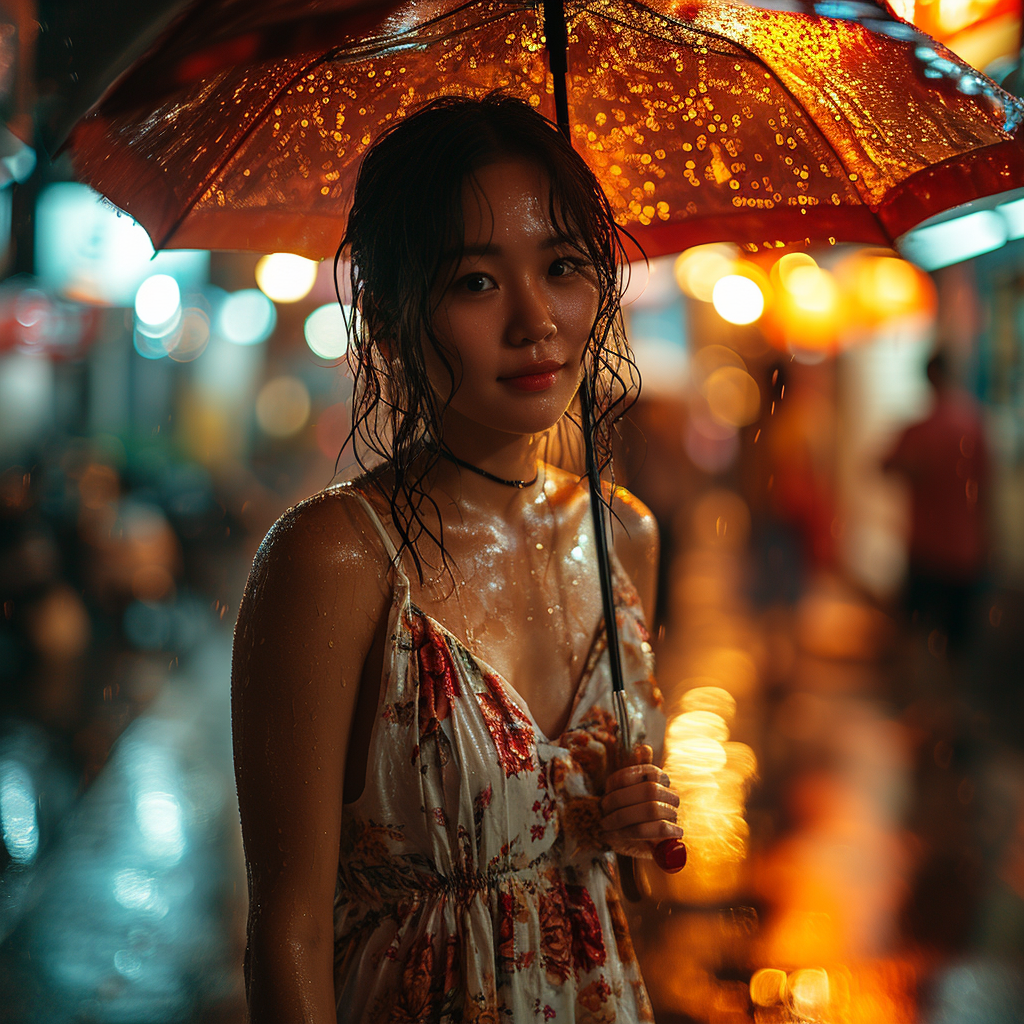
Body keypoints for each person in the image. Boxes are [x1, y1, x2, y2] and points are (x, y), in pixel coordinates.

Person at [231, 94, 683, 1024]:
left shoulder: (625, 535)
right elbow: (288, 932)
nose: (536, 322)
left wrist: (640, 826)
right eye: (475, 282)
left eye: (561, 267)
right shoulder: (335, 560)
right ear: (393, 321)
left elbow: (617, 896)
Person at [882, 351, 990, 655]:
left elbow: (884, 466)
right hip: (964, 550)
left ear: (928, 378)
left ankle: (922, 698)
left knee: (917, 632)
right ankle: (947, 699)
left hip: (926, 549)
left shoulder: (920, 430)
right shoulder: (974, 426)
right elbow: (986, 488)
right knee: (956, 642)